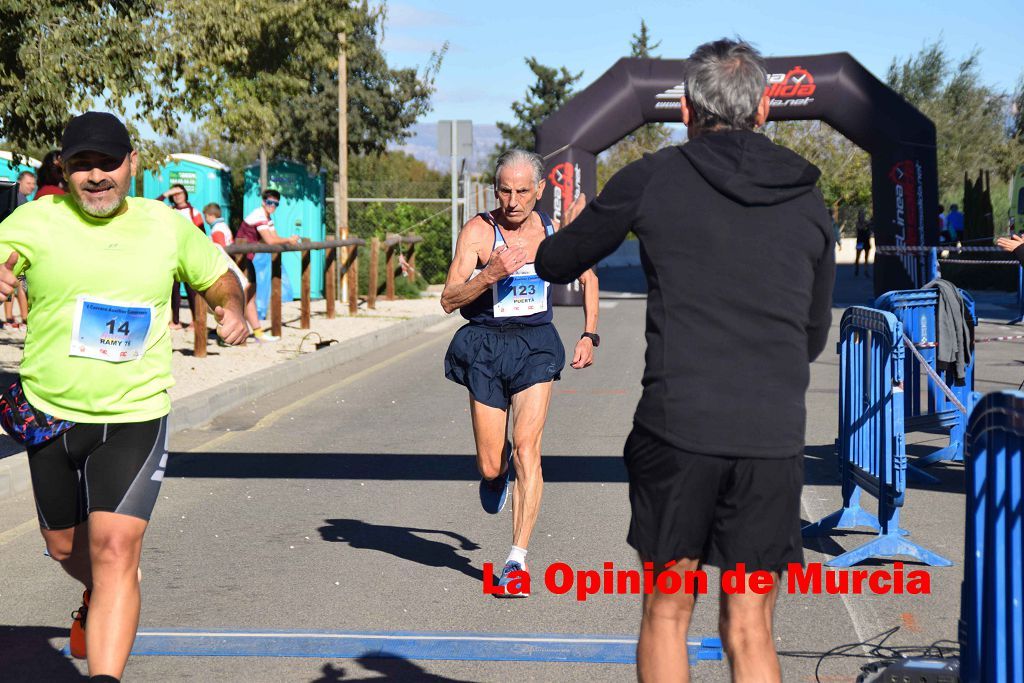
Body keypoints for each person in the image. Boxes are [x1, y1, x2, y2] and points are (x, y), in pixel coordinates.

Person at [534, 39, 835, 682]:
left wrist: (570, 224)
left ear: (688, 110)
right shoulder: (808, 199)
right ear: (763, 109)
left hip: (679, 433)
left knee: (668, 611)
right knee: (751, 627)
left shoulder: (654, 178)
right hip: (770, 440)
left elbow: (555, 264)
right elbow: (812, 337)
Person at [0, 111, 247, 683]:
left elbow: (217, 275)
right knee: (65, 548)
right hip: (49, 413)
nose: (96, 176)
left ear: (131, 164)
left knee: (115, 548)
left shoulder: (165, 225)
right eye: (82, 164)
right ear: (63, 168)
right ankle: (100, 592)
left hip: (134, 413)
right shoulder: (34, 220)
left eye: (107, 163)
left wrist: (231, 306)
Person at [440, 149, 599, 594]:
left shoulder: (552, 230)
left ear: (540, 190)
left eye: (522, 192)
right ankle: (496, 474)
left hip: (534, 345)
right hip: (486, 345)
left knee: (529, 446)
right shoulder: (478, 231)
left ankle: (516, 561)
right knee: (492, 463)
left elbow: (589, 277)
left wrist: (590, 333)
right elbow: (449, 299)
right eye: (505, 191)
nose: (512, 201)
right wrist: (489, 273)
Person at [203, 202, 274, 343]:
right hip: (244, 263)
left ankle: (239, 332)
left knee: (238, 302)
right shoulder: (224, 226)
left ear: (210, 216)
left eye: (206, 216)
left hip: (233, 268)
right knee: (247, 300)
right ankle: (257, 331)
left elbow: (220, 250)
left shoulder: (217, 229)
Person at [233, 189, 299, 342]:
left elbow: (274, 237)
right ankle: (235, 331)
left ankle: (257, 333)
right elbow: (270, 241)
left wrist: (287, 240)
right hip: (240, 259)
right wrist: (289, 240)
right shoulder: (259, 215)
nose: (272, 206)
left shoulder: (267, 216)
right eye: (270, 202)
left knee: (249, 297)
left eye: (275, 204)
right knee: (242, 297)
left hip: (246, 258)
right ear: (263, 202)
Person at [157, 184, 204, 330]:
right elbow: (154, 206)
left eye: (180, 193)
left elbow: (201, 233)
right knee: (174, 289)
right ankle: (175, 321)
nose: (177, 196)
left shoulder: (194, 212)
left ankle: (196, 320)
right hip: (172, 253)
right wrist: (166, 193)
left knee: (191, 289)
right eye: (174, 193)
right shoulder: (169, 210)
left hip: (189, 254)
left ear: (185, 194)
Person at [854, 208, 872, 277]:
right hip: (860, 242)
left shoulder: (867, 222)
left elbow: (870, 230)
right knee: (857, 256)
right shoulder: (857, 223)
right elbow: (860, 228)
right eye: (861, 215)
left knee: (866, 257)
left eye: (863, 215)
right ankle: (857, 268)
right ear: (859, 216)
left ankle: (866, 270)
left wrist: (869, 225)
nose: (862, 216)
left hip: (866, 241)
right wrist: (867, 224)